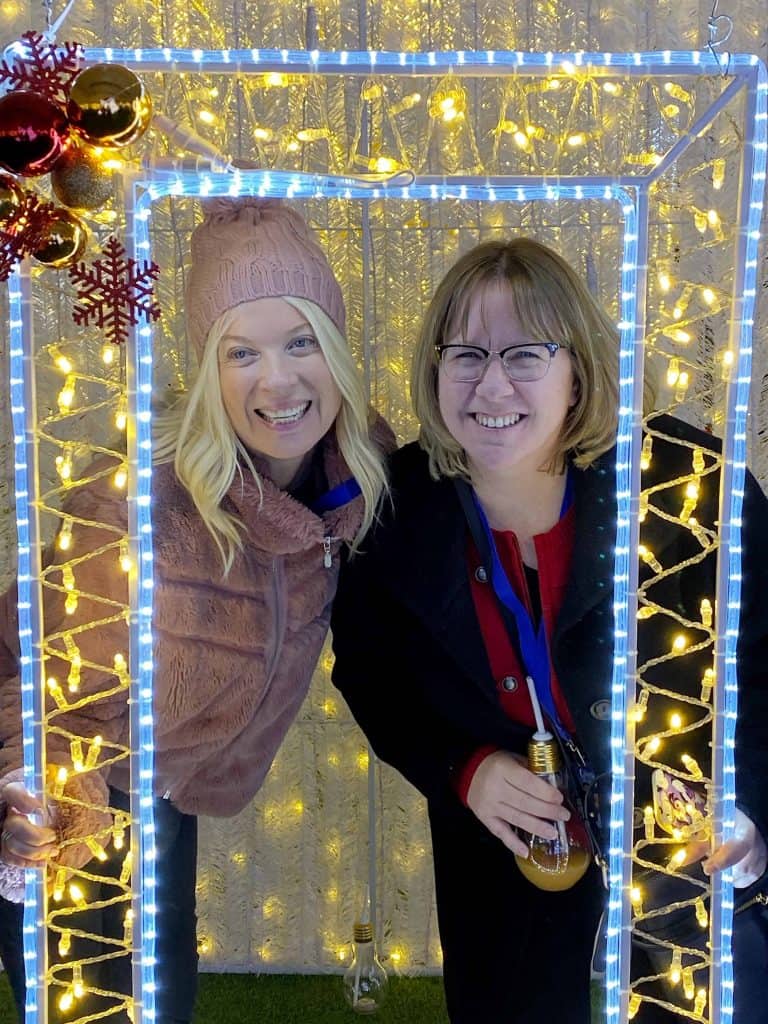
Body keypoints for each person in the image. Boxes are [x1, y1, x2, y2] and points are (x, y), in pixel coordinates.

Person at [329, 238, 768, 1023]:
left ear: (578, 370)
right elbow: (368, 672)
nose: (491, 384)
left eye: (525, 353)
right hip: (512, 860)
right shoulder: (393, 509)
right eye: (465, 353)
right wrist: (463, 770)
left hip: (691, 847)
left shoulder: (684, 483)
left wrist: (751, 808)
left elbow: (766, 658)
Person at [0, 197, 391, 1023]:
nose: (277, 381)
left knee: (163, 988)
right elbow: (43, 684)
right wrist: (33, 798)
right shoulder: (146, 502)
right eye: (240, 351)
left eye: (301, 341)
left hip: (161, 787)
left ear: (338, 351)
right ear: (207, 370)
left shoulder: (356, 479)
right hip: (66, 787)